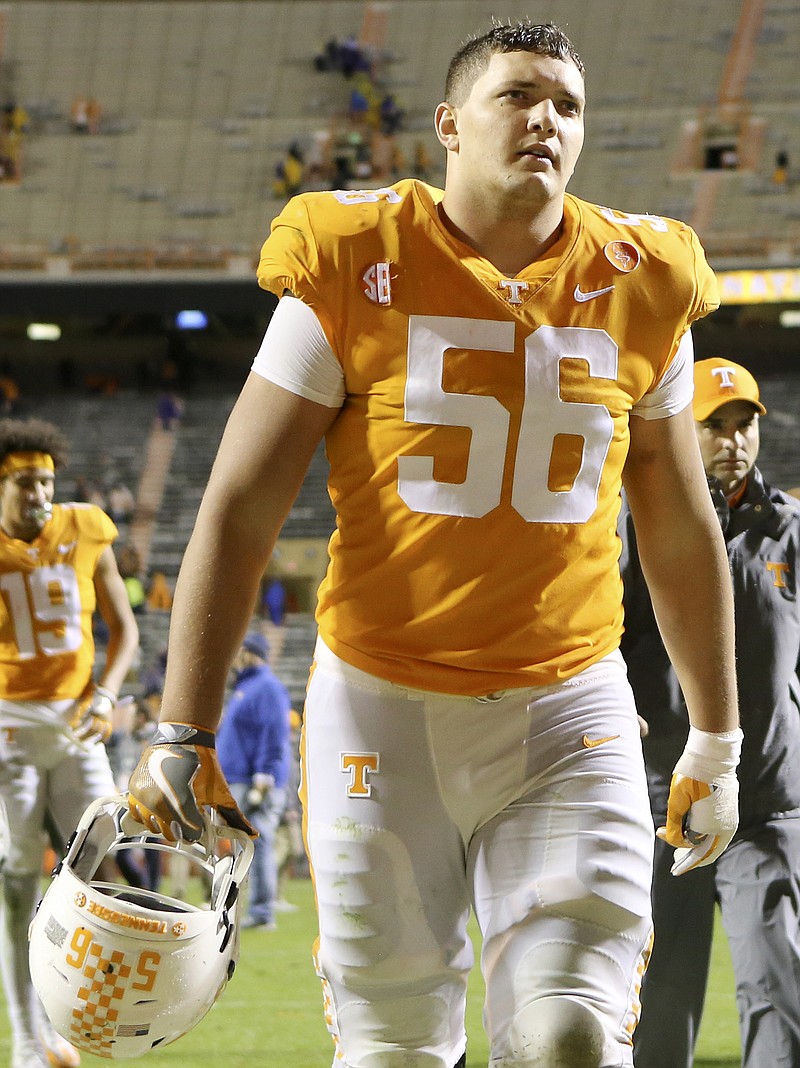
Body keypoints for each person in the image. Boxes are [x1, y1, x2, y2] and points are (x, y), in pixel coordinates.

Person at [128, 22, 742, 1068]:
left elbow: (679, 523)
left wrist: (715, 740)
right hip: (381, 702)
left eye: (567, 105)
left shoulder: (644, 278)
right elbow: (238, 502)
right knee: (394, 1049)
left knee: (567, 1035)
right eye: (518, 95)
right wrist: (179, 729)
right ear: (449, 126)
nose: (545, 118)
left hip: (566, 702)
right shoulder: (350, 254)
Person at [620, 358, 800, 1068]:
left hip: (767, 801)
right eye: (714, 425)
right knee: (660, 1002)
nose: (733, 439)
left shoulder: (787, 529)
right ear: (681, 430)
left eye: (744, 424)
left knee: (780, 991)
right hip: (672, 802)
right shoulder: (637, 529)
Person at [0, 418, 139, 1068]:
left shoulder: (86, 526)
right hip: (10, 727)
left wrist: (108, 694)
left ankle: (70, 991)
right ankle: (30, 1045)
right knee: (15, 877)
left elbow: (124, 629)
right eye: (27, 483)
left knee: (103, 844)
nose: (41, 495)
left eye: (47, 481)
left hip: (82, 721)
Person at [216, 632, 291, 929]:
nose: (234, 658)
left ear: (249, 653)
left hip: (253, 780)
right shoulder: (246, 688)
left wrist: (265, 775)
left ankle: (262, 912)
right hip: (240, 778)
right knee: (246, 847)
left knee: (258, 845)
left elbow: (273, 733)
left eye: (238, 652)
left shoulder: (267, 688)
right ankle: (249, 908)